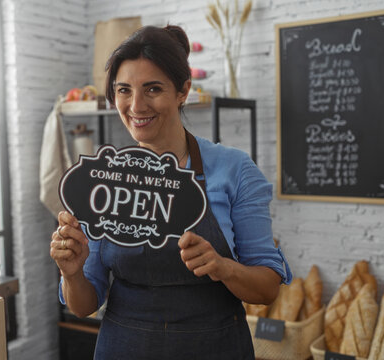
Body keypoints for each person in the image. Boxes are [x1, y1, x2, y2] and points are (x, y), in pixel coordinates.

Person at [50, 25, 292, 360]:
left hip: (216, 348)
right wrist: (72, 272)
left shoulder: (234, 170)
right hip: (124, 348)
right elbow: (83, 306)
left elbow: (267, 288)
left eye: (152, 89)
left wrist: (222, 267)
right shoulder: (103, 180)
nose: (136, 105)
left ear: (183, 91)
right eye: (123, 90)